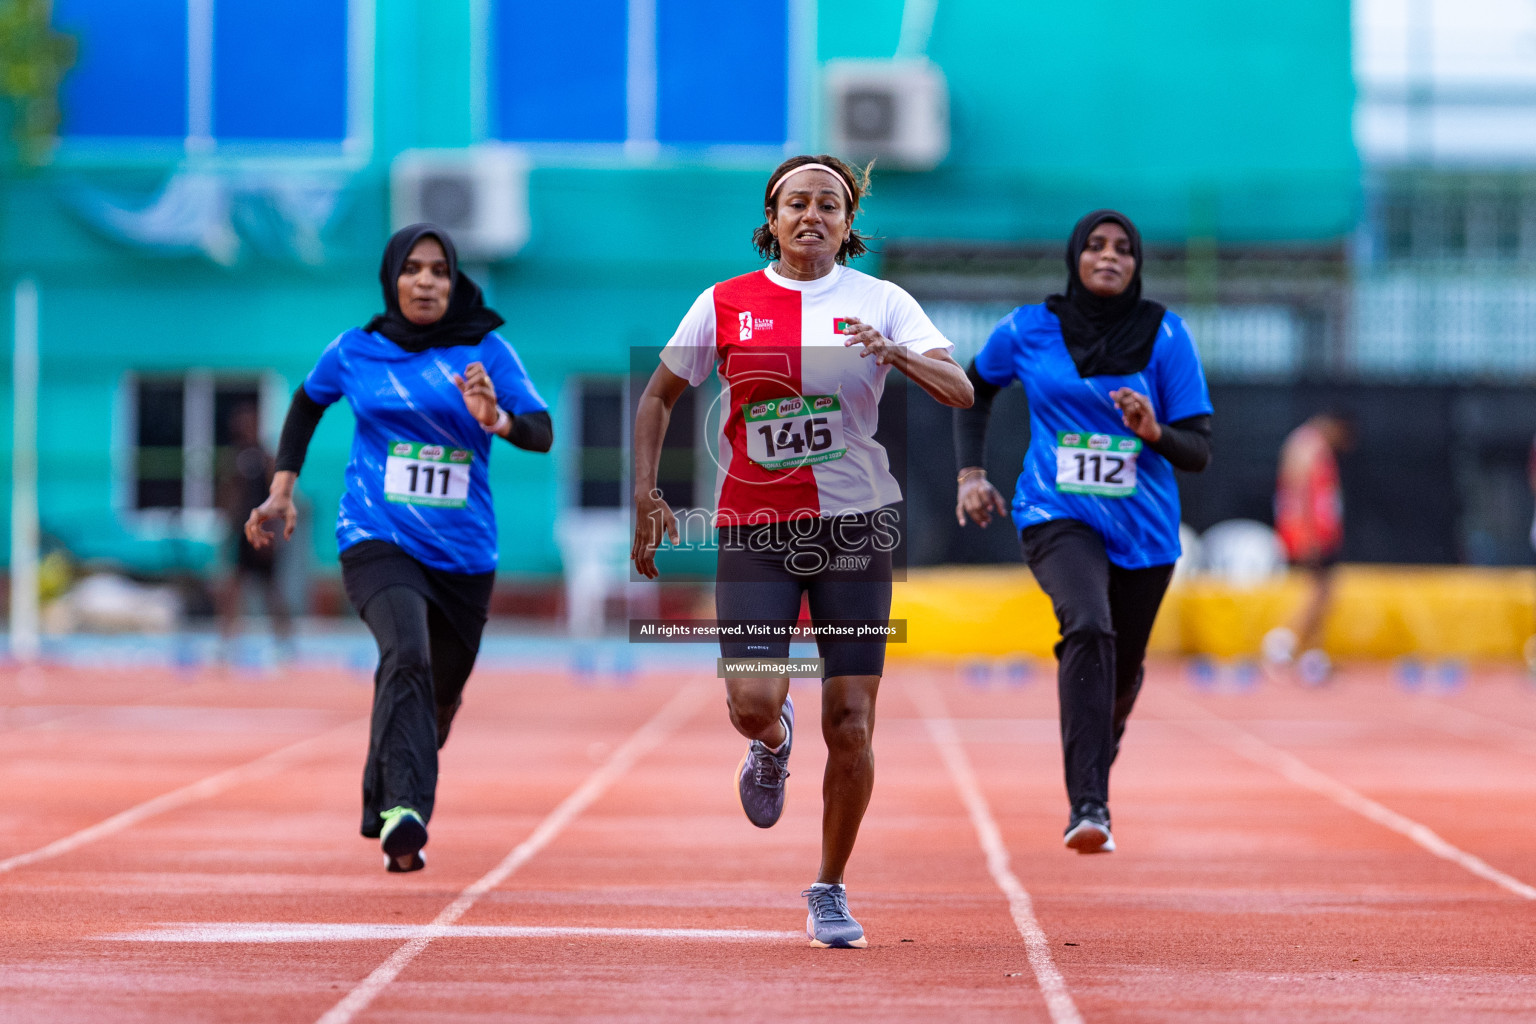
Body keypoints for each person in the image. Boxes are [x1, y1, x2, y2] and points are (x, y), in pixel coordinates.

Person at [631, 154, 972, 947]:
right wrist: (648, 495)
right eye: (797, 204)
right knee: (752, 704)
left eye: (829, 204)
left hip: (855, 529)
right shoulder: (725, 303)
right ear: (772, 219)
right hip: (755, 526)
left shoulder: (882, 301)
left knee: (851, 722)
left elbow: (959, 388)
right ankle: (773, 743)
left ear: (849, 223)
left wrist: (897, 355)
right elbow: (658, 395)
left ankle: (829, 886)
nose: (812, 215)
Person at [245, 223, 552, 873]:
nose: (426, 281)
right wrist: (281, 488)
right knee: (403, 651)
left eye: (440, 270)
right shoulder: (355, 350)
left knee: (434, 701)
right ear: (391, 278)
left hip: (465, 554)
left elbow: (542, 431)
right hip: (376, 535)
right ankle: (402, 813)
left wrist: (493, 418)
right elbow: (305, 402)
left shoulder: (486, 352)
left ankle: (391, 796)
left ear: (455, 280)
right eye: (412, 268)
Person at [953, 209, 1212, 854]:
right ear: (1075, 257)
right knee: (1088, 625)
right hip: (1055, 513)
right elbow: (974, 387)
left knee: (1122, 670)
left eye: (1123, 248)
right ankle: (1088, 804)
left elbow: (1198, 449)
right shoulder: (1029, 328)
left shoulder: (1165, 336)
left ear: (1137, 263)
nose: (1108, 257)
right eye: (1095, 246)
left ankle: (1102, 736)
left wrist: (1154, 430)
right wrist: (970, 474)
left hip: (1146, 531)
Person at [1264, 411, 1353, 684]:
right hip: (1307, 531)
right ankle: (1282, 644)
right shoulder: (1306, 445)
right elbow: (1298, 492)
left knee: (1324, 591)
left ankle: (1310, 656)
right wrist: (1306, 534)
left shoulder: (1316, 447)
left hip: (1317, 530)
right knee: (1319, 591)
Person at [216, 401, 293, 658]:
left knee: (271, 591)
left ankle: (284, 643)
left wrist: (273, 534)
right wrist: (227, 531)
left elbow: (278, 497)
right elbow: (229, 496)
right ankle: (227, 642)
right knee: (233, 588)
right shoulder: (235, 457)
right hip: (241, 533)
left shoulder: (267, 458)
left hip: (263, 533)